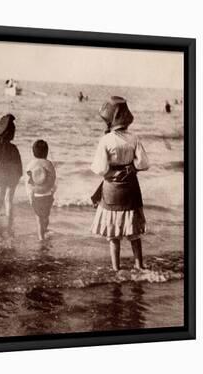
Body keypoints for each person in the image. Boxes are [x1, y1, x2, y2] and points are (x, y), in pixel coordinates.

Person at [90, 96, 149, 271]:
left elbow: (100, 169)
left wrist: (113, 172)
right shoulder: (134, 138)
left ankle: (116, 270)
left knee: (113, 235)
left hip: (112, 189)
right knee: (134, 232)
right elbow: (144, 164)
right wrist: (131, 168)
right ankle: (139, 265)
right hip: (131, 188)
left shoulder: (106, 140)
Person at [0, 114, 23, 227]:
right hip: (12, 176)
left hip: (0, 176)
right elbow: (18, 164)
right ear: (11, 134)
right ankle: (9, 225)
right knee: (9, 200)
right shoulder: (14, 148)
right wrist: (18, 176)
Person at [25, 140, 56, 241]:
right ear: (46, 152)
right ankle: (45, 229)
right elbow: (53, 180)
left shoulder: (31, 165)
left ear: (33, 152)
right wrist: (52, 191)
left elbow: (28, 183)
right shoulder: (49, 164)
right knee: (46, 216)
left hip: (36, 196)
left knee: (38, 219)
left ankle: (41, 237)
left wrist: (30, 196)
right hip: (48, 196)